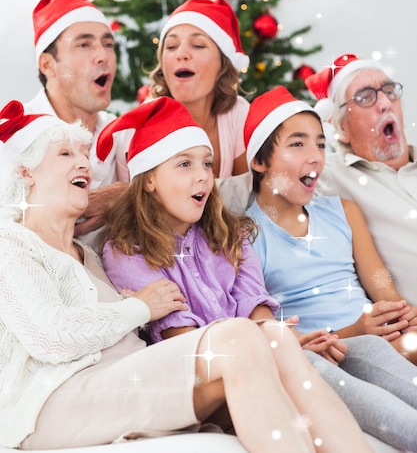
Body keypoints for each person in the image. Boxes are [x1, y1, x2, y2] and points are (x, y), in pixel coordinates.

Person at [0, 100, 371, 453]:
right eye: (65, 154)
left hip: (129, 383)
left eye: (83, 154)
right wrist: (139, 308)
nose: (82, 163)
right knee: (239, 337)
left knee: (273, 336)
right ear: (24, 172)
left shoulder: (90, 257)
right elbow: (51, 338)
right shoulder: (11, 244)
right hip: (54, 401)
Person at [242, 85, 417, 452]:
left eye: (321, 145)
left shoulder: (344, 211)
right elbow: (276, 338)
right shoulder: (244, 236)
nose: (315, 157)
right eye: (297, 144)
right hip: (328, 352)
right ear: (259, 161)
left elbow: (381, 282)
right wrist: (357, 329)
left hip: (382, 336)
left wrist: (399, 311)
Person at [304, 53, 417, 305]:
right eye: (365, 96)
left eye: (389, 90)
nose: (385, 103)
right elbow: (261, 181)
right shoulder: (328, 176)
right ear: (341, 129)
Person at [23, 0, 131, 247]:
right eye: (84, 45)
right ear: (48, 65)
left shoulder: (123, 134)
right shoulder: (14, 139)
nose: (103, 56)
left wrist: (128, 196)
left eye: (108, 44)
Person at [148, 0, 250, 178]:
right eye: (171, 46)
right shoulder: (145, 122)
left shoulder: (238, 114)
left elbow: (247, 195)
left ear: (223, 63)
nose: (181, 54)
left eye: (198, 45)